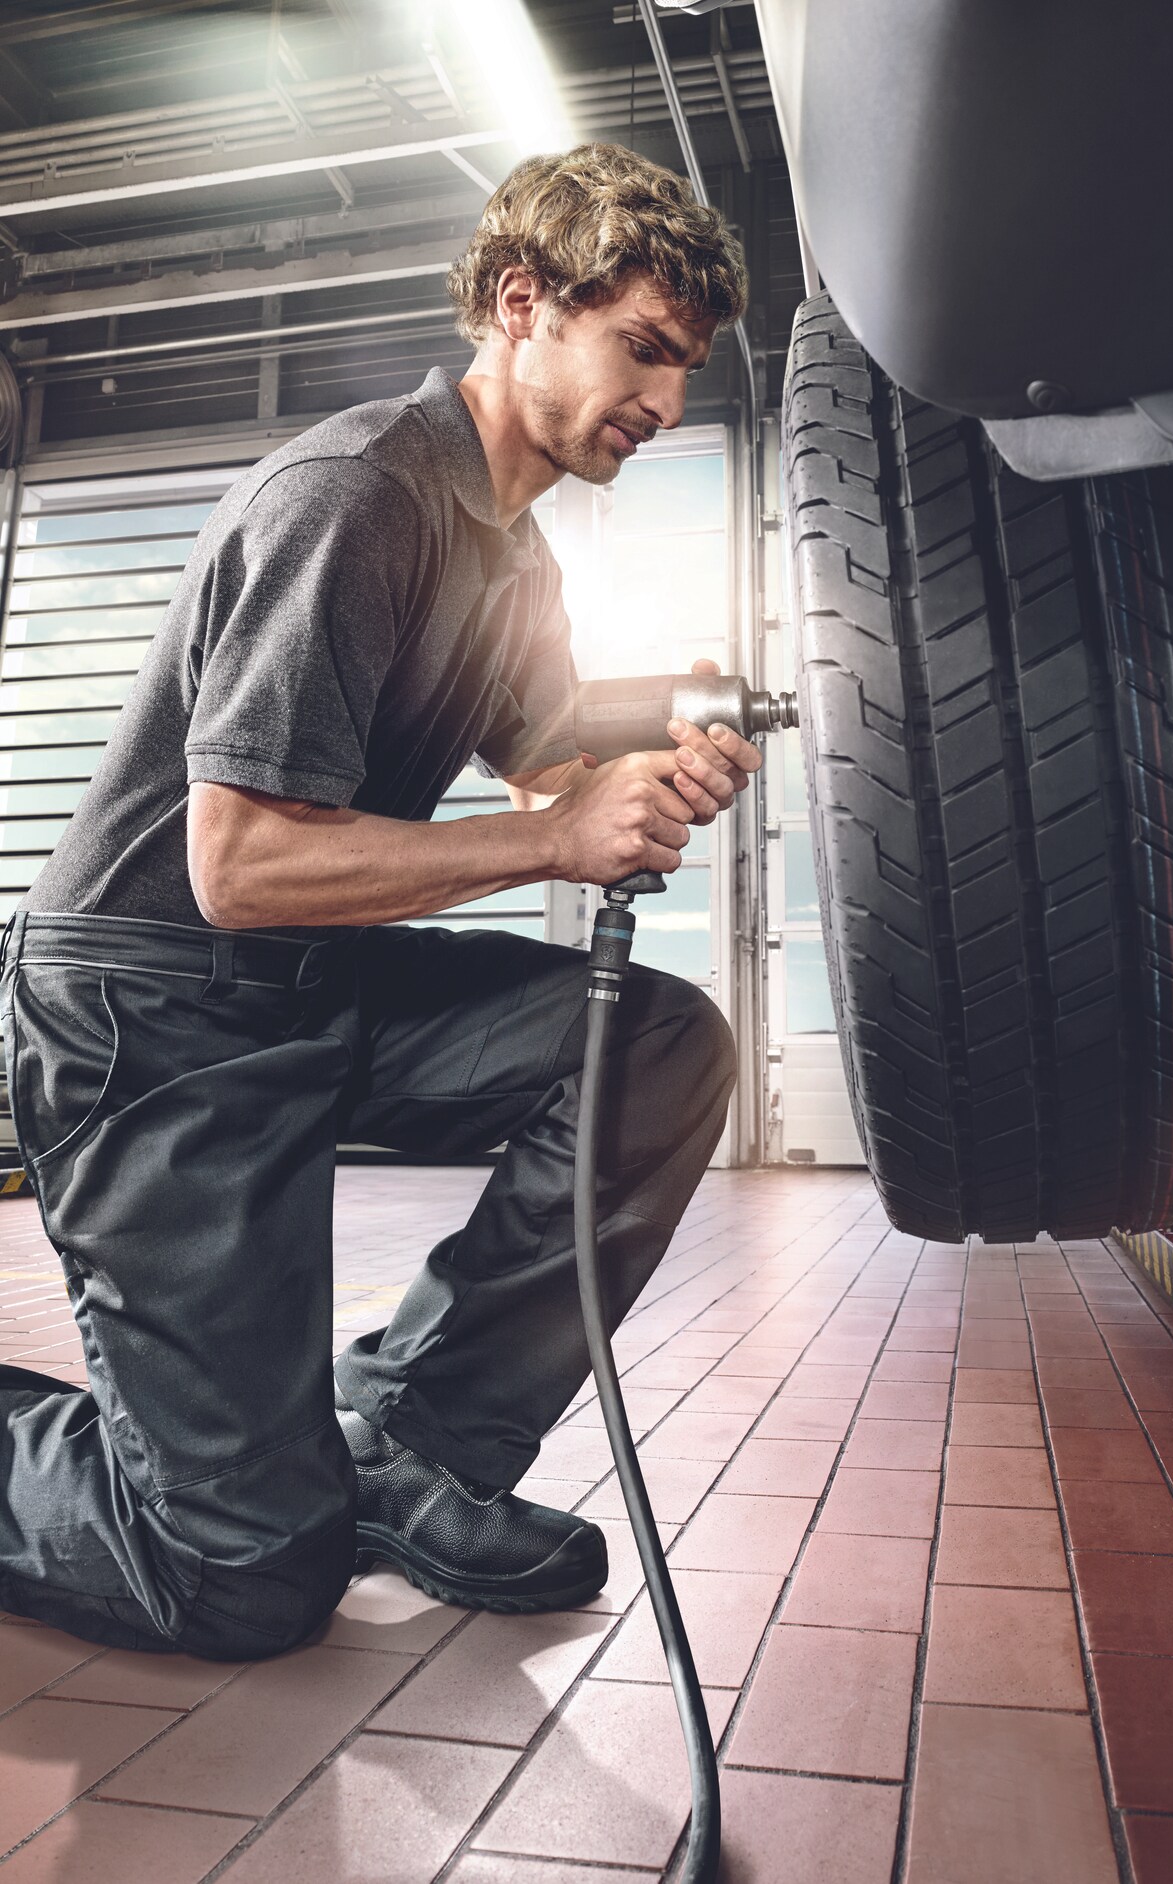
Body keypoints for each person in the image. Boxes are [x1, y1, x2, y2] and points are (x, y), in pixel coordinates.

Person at [0, 143, 752, 1660]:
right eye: (645, 350)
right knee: (243, 1581)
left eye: (683, 370)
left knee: (661, 1045)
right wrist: (554, 844)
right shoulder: (356, 497)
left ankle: (406, 1441)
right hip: (153, 1017)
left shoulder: (513, 555)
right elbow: (242, 866)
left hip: (309, 985)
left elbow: (545, 769)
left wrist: (641, 774)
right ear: (524, 303)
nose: (665, 404)